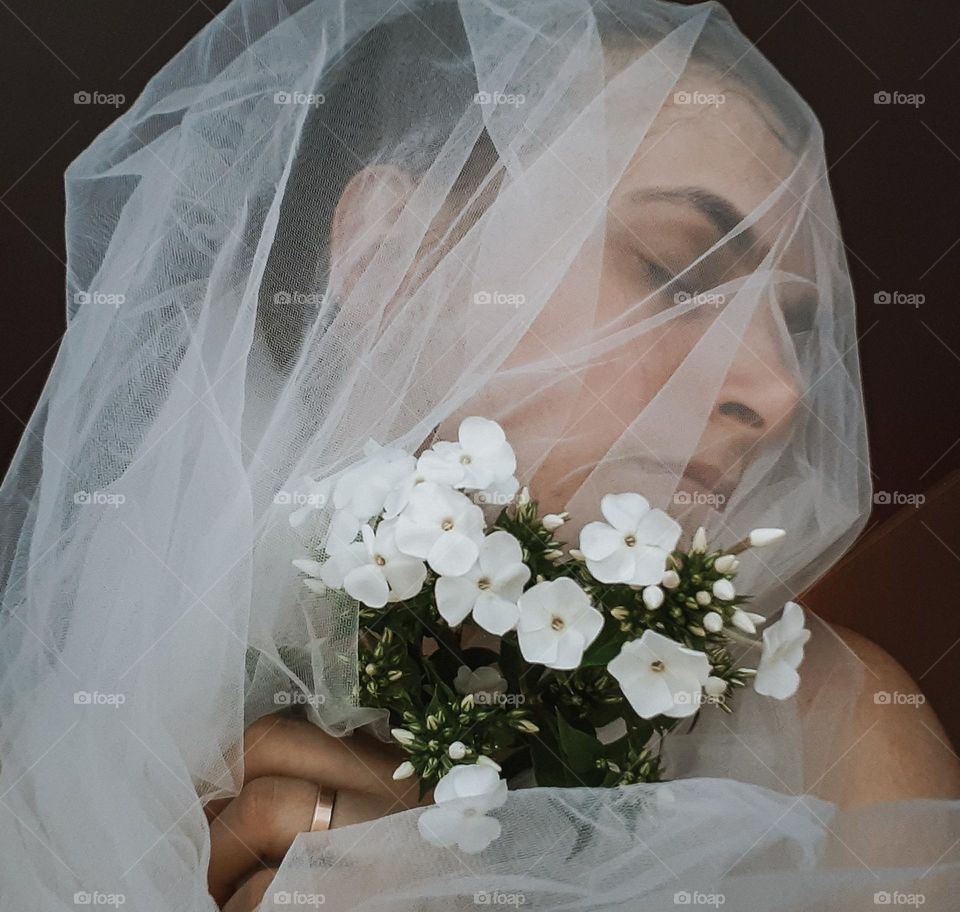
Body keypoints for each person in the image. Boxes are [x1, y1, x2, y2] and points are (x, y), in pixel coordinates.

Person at [0, 2, 957, 910]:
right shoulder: (103, 703)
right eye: (680, 272)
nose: (781, 393)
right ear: (389, 256)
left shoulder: (835, 726)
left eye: (793, 325)